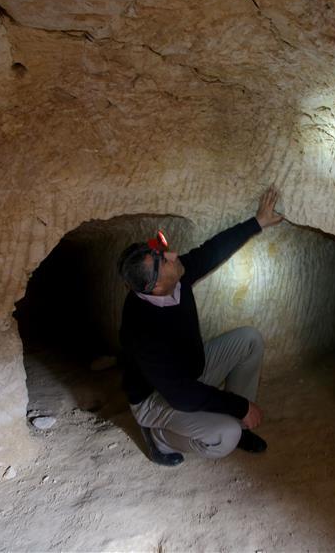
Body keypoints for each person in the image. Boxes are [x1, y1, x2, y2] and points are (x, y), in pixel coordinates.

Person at [116, 185, 283, 466]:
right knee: (224, 437)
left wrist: (257, 222)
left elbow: (212, 250)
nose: (173, 254)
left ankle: (239, 426)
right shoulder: (140, 328)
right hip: (157, 398)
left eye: (162, 250)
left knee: (249, 339)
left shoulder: (176, 277)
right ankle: (159, 437)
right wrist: (240, 406)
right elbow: (180, 394)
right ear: (155, 286)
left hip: (189, 373)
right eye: (163, 259)